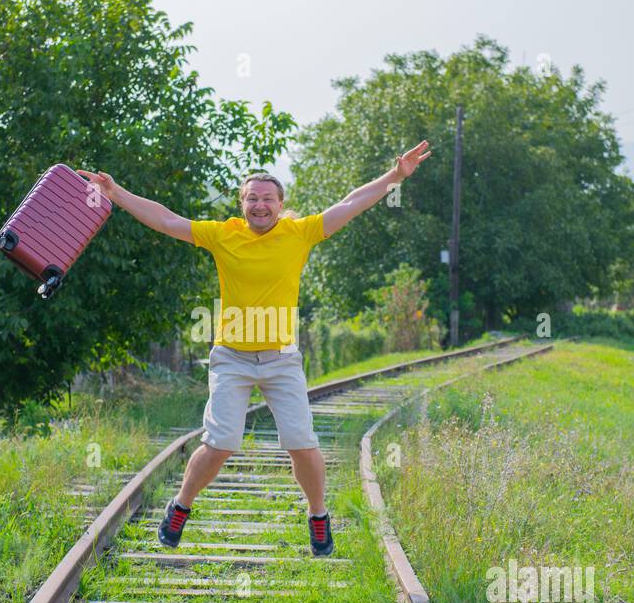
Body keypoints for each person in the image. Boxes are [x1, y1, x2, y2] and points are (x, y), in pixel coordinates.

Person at [78, 141, 431, 557]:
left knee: (302, 441)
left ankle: (318, 516)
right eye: (252, 198)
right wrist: (116, 193)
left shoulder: (300, 233)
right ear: (242, 203)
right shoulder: (222, 235)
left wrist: (395, 176)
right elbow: (167, 220)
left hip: (281, 359)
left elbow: (352, 202)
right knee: (220, 442)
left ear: (281, 204)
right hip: (232, 358)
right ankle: (181, 505)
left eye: (267, 199)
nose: (260, 205)